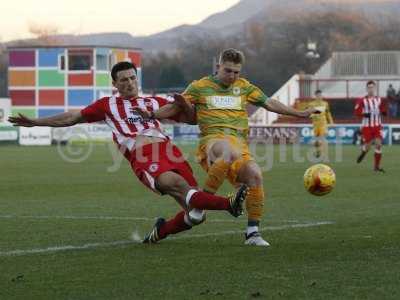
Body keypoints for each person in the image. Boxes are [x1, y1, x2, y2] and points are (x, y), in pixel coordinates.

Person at [8, 61, 249, 244]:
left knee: (196, 215)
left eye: (132, 78)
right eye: (123, 80)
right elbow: (72, 117)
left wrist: (185, 105)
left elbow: (192, 119)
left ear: (137, 78)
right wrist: (36, 122)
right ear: (114, 84)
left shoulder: (154, 102)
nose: (129, 83)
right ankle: (229, 204)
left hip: (170, 151)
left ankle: (160, 231)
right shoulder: (107, 105)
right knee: (176, 184)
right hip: (143, 154)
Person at [137, 49, 320, 246]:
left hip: (239, 144)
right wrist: (152, 115)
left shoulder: (244, 87)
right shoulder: (199, 86)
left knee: (255, 175)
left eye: (236, 72)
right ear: (219, 67)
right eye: (228, 71)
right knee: (227, 152)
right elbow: (176, 107)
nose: (232, 76)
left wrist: (299, 114)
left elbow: (269, 103)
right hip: (212, 141)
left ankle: (253, 233)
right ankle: (200, 204)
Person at [354, 80, 386, 172]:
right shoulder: (362, 100)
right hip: (367, 126)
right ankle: (363, 152)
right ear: (367, 89)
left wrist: (384, 112)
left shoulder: (379, 99)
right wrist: (364, 114)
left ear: (375, 88)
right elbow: (357, 112)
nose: (371, 89)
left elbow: (384, 110)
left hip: (377, 126)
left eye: (372, 87)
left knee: (378, 144)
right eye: (369, 87)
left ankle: (376, 167)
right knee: (368, 146)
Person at [306, 90, 334, 159]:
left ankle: (324, 155)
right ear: (315, 96)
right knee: (317, 141)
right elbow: (309, 114)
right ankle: (318, 151)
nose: (319, 97)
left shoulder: (325, 103)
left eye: (320, 95)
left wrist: (331, 121)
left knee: (322, 138)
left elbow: (328, 113)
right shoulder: (311, 104)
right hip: (315, 124)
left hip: (323, 123)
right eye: (318, 95)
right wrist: (313, 115)